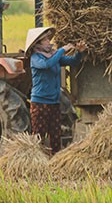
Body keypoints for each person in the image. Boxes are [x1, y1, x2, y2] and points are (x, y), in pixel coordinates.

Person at [25, 26, 85, 154]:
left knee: (56, 135)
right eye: (45, 40)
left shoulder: (53, 56)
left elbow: (73, 61)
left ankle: (55, 160)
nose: (49, 42)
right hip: (40, 104)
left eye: (48, 39)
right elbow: (47, 65)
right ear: (38, 44)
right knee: (39, 137)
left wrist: (79, 52)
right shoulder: (36, 58)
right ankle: (37, 161)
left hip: (54, 102)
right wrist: (62, 50)